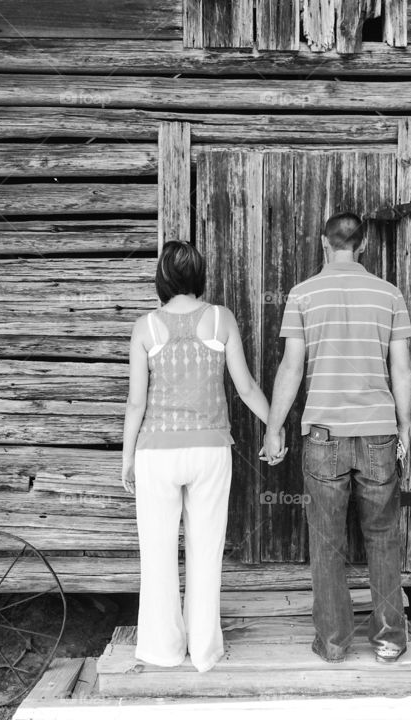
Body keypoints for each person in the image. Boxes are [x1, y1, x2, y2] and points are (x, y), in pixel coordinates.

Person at [262, 212, 411, 664]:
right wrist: (404, 426)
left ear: (323, 243)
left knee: (327, 540)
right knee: (384, 536)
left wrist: (273, 430)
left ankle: (333, 642)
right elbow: (402, 369)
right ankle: (389, 640)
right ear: (362, 244)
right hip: (378, 434)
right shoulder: (389, 295)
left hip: (323, 435)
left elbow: (291, 368)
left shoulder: (302, 295)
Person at [121, 241, 279, 673]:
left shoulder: (145, 327)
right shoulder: (220, 318)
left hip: (157, 450)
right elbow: (245, 388)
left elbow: (136, 404)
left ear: (162, 279)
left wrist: (127, 456)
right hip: (211, 450)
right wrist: (275, 426)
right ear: (198, 276)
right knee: (206, 552)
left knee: (156, 553)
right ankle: (205, 652)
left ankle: (162, 650)